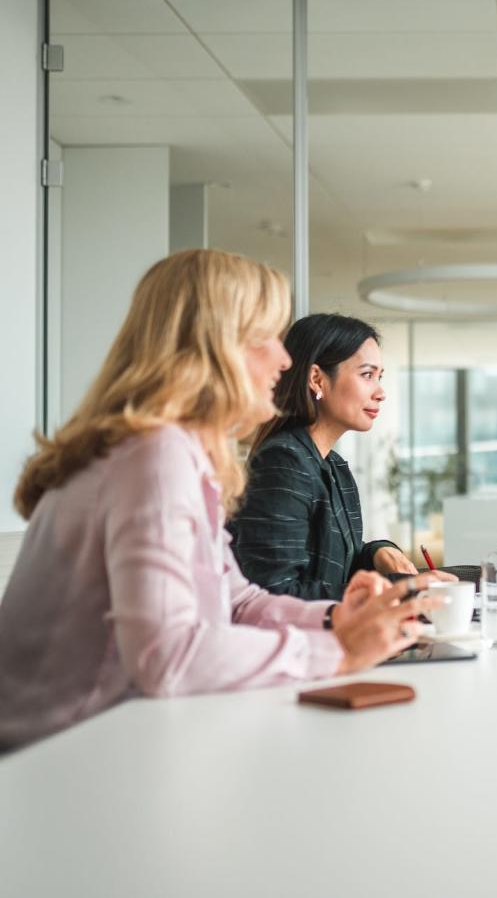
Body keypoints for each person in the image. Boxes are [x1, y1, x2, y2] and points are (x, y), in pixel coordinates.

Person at [0, 250, 445, 751]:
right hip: (55, 757)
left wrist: (334, 619)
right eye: (266, 340)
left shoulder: (176, 451)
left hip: (110, 739)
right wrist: (335, 652)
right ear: (212, 349)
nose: (283, 361)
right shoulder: (154, 455)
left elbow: (239, 598)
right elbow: (166, 657)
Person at [228, 314, 418, 600]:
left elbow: (336, 567)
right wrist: (394, 593)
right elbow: (274, 592)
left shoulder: (333, 467)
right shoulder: (283, 462)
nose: (381, 393)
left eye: (379, 377)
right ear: (317, 379)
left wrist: (378, 550)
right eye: (367, 375)